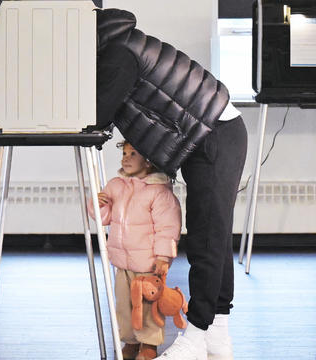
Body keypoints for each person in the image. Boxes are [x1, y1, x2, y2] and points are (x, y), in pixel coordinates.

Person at [95, 9, 248, 360]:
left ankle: (195, 337)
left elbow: (97, 114)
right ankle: (217, 334)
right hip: (216, 131)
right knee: (216, 235)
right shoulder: (121, 43)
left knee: (207, 238)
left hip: (213, 134)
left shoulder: (117, 54)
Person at [89, 141, 182, 360]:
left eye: (133, 154)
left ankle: (149, 344)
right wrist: (98, 204)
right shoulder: (116, 186)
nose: (125, 158)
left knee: (149, 307)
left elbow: (168, 228)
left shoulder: (159, 193)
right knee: (124, 305)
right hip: (122, 261)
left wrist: (163, 257)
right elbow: (105, 218)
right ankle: (130, 342)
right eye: (124, 153)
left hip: (148, 264)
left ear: (148, 161)